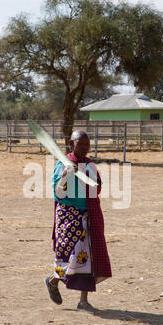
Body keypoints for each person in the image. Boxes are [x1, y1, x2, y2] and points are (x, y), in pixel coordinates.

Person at [45, 130, 112, 311]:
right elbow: (58, 194)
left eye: (87, 145)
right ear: (71, 143)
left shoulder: (90, 165)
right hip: (68, 216)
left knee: (87, 257)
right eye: (80, 144)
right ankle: (53, 280)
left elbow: (95, 190)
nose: (84, 148)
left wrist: (92, 183)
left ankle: (83, 301)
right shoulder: (62, 164)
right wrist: (66, 175)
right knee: (70, 254)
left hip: (88, 215)